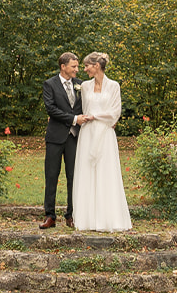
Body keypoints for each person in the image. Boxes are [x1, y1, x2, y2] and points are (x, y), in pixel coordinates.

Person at [71, 51, 131, 232]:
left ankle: (108, 218)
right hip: (87, 133)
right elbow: (78, 107)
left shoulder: (114, 86)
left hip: (105, 133)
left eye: (87, 65)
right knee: (87, 171)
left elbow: (115, 112)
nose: (85, 69)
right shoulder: (85, 87)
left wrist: (96, 116)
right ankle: (87, 218)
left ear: (96, 66)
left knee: (106, 172)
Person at [40, 51, 81, 228]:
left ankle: (71, 215)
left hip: (75, 138)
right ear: (63, 67)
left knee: (74, 177)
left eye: (77, 66)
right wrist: (73, 119)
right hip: (55, 137)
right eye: (74, 66)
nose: (77, 70)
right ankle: (50, 216)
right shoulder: (49, 84)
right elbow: (51, 109)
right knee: (51, 176)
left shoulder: (81, 85)